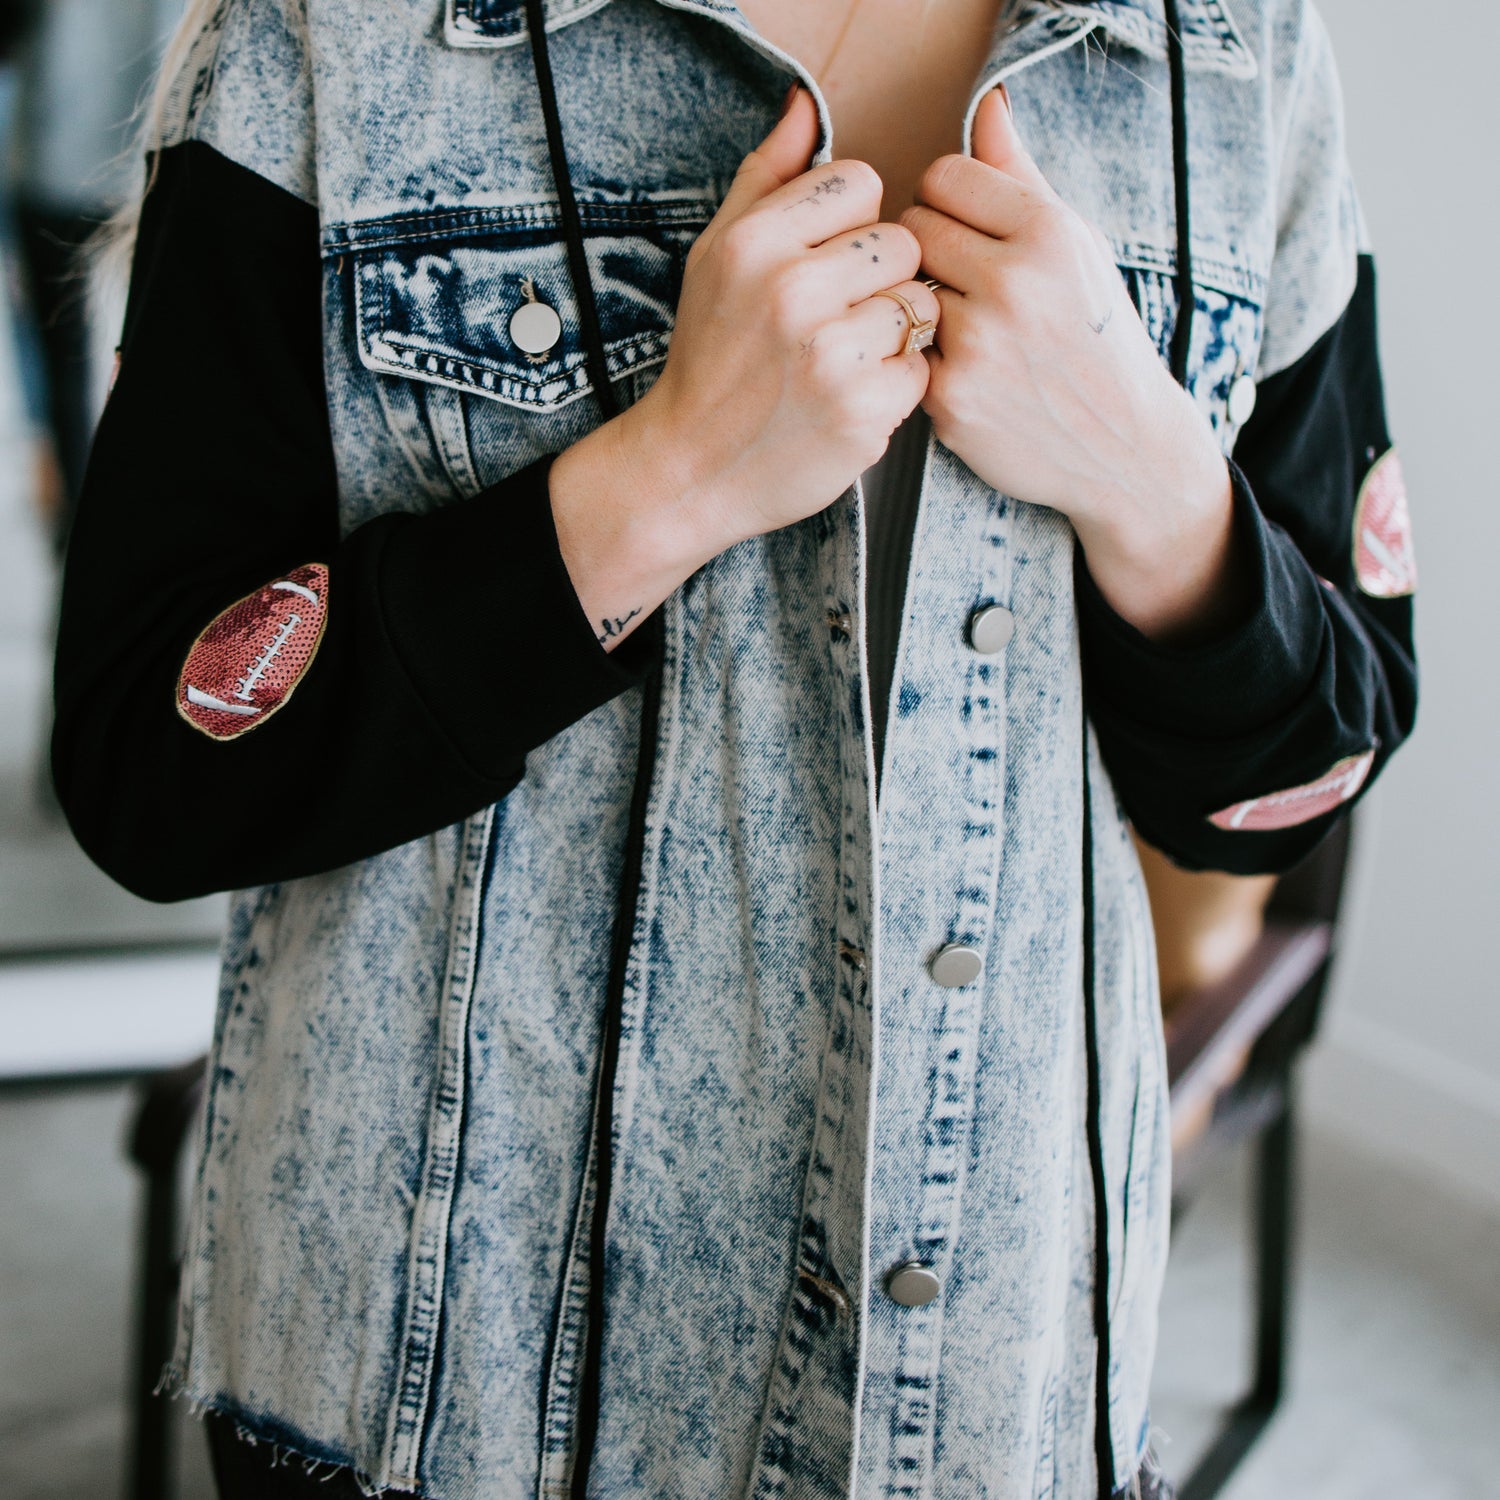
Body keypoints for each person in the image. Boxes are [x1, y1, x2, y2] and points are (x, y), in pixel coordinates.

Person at [51, 1, 1417, 1497]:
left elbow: (1294, 781)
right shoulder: (327, 32)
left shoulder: (1235, 51)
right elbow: (152, 761)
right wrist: (665, 480)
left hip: (992, 1411)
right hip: (442, 1408)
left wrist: (1154, 488)